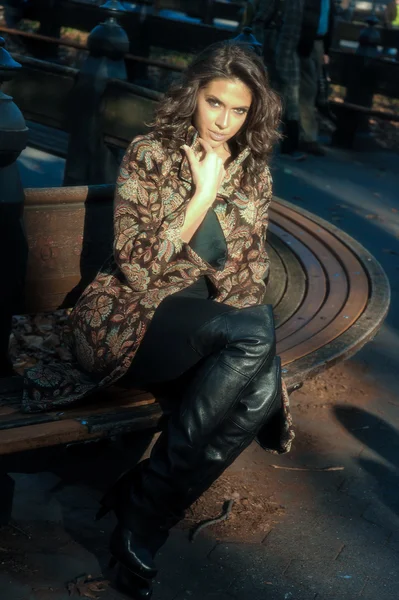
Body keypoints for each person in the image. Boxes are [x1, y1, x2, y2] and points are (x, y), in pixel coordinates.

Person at [22, 42, 294, 599]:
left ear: (253, 113)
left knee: (261, 389)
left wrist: (227, 209)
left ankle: (145, 509)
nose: (223, 121)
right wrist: (202, 197)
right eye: (214, 103)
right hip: (126, 319)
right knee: (254, 334)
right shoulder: (151, 153)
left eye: (238, 110)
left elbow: (248, 282)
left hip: (204, 326)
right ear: (193, 93)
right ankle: (144, 513)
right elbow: (138, 270)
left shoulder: (254, 174)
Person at [252, 0, 305, 157]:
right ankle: (286, 146)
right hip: (282, 52)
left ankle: (270, 144)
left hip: (277, 51)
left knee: (276, 99)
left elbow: (260, 19)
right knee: (285, 101)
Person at [298, 0, 335, 155]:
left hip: (318, 43)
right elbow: (306, 18)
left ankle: (305, 135)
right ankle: (307, 137)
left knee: (311, 91)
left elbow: (328, 19)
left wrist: (326, 49)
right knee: (308, 90)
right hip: (305, 42)